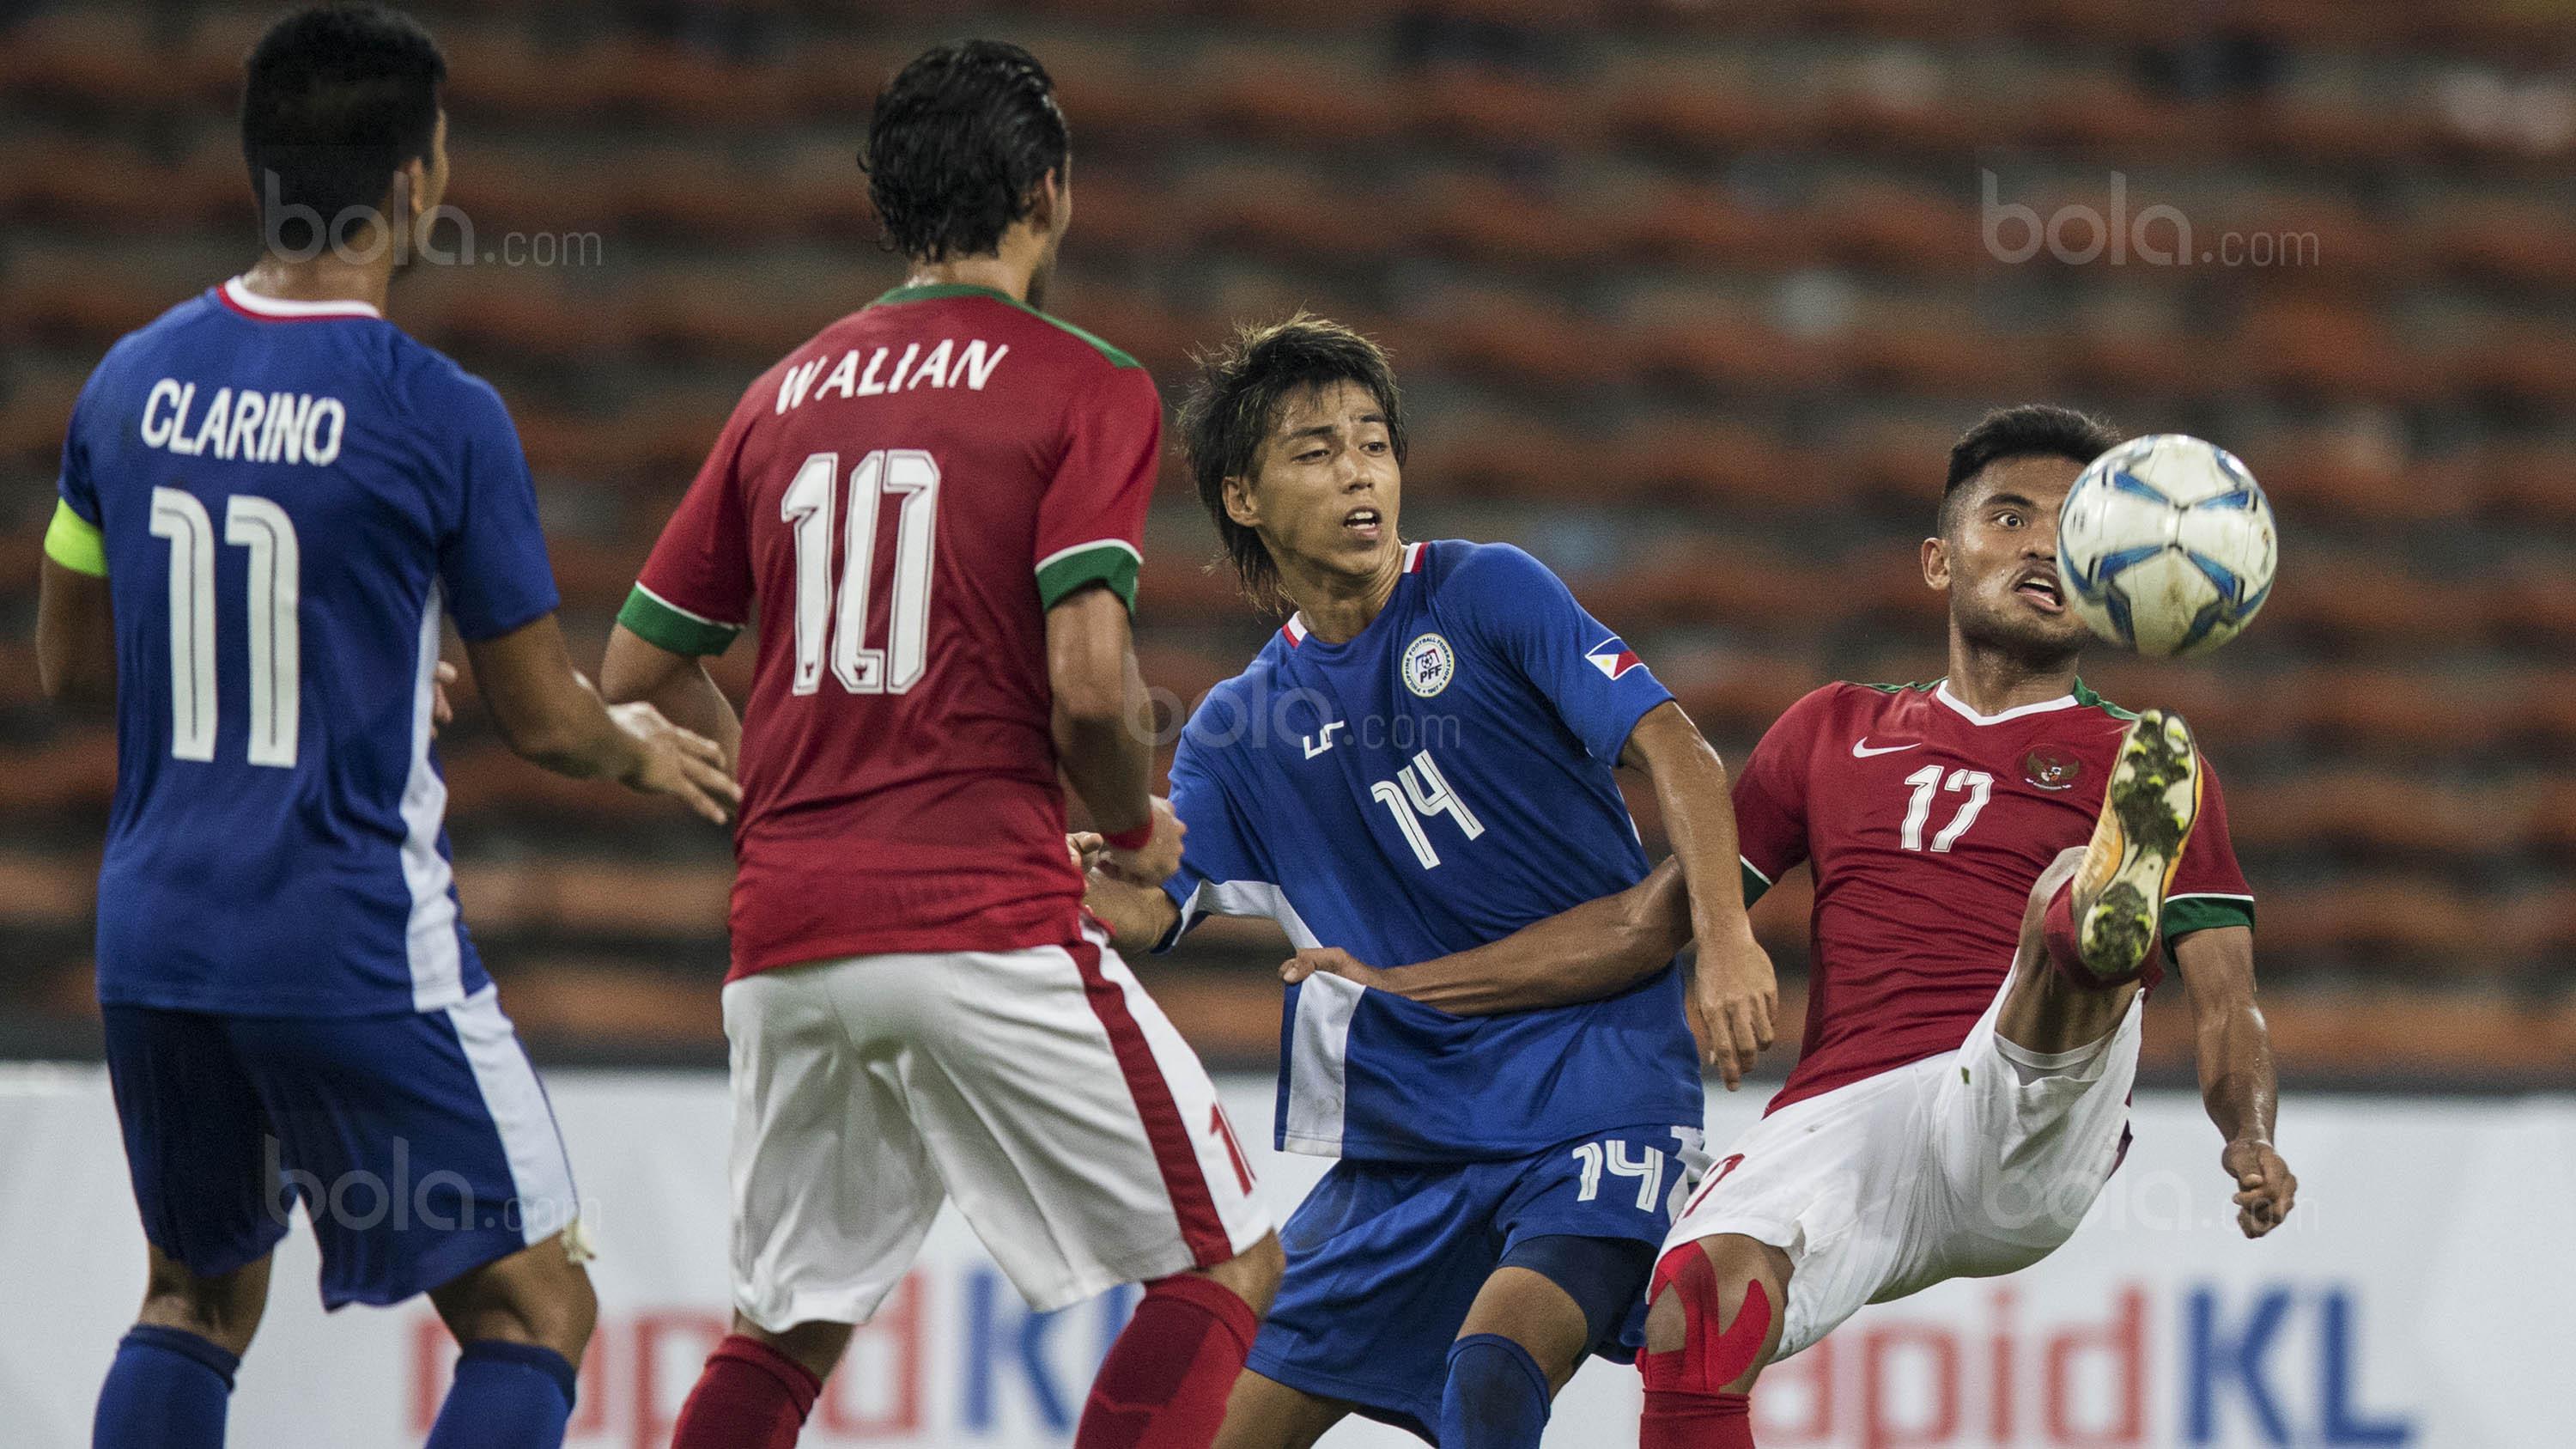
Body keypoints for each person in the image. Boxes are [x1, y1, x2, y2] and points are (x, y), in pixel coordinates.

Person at [1289, 405, 2297, 1447]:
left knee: (2062, 902)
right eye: (2009, 518)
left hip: (2025, 1109)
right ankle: (2089, 920)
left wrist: (2250, 1136)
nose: (2044, 543)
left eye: (2071, 526)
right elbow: (1643, 925)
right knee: (1694, 1311)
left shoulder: (2141, 760)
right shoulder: (1831, 731)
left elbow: (2230, 1003)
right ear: (1939, 560)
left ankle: (2095, 926)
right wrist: (1406, 984)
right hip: (1851, 1114)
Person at [36, 8, 740, 1448]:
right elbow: (542, 714)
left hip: (157, 935)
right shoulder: (440, 413)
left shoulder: (124, 385)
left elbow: (73, 667)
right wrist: (635, 743)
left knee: (192, 1293)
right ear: (421, 176)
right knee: (536, 1310)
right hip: (343, 938)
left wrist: (335, 664)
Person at [597, 40, 1282, 1449]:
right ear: (1049, 189)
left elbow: (639, 668)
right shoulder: (1084, 383)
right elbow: (1092, 693)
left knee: (783, 1329)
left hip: (786, 935)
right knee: (1227, 1261)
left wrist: (774, 800)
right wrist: (1137, 825)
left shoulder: (781, 392)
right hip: (981, 918)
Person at [1076, 314, 1777, 1449]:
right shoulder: (1238, 727)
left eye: (1374, 441)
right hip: (1406, 1147)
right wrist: (1081, 879)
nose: (1360, 471)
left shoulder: (1489, 592)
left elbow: (1682, 753)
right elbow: (1158, 897)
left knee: (1491, 1373)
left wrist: (1731, 938)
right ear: (1244, 498)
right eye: (1316, 449)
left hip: (1592, 1091)